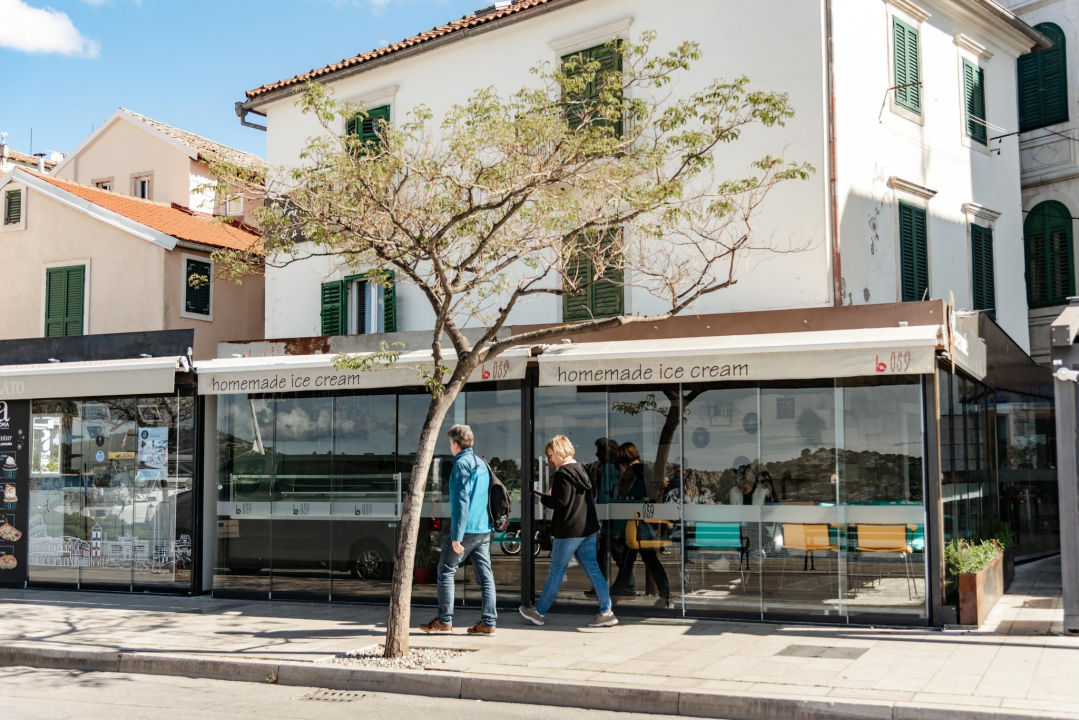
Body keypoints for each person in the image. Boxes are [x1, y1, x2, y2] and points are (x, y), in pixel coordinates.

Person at [519, 436, 618, 628]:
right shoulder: (583, 469)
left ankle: (539, 612)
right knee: (593, 569)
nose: (550, 460)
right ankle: (606, 612)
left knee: (556, 571)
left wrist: (543, 498)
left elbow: (560, 502)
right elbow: (589, 495)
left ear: (558, 451)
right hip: (588, 528)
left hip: (569, 530)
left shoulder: (563, 473)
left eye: (550, 455)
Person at [420, 424, 497, 636]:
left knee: (446, 570)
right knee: (486, 577)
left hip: (467, 529)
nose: (450, 446)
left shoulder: (461, 464)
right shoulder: (482, 463)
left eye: (450, 443)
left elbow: (462, 502)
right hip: (484, 529)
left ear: (455, 443)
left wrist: (457, 537)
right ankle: (489, 623)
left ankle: (444, 621)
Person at [610, 442, 671, 604]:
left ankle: (618, 590)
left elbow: (648, 493)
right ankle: (664, 592)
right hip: (638, 523)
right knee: (639, 559)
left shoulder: (639, 472)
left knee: (639, 559)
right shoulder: (639, 471)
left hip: (639, 523)